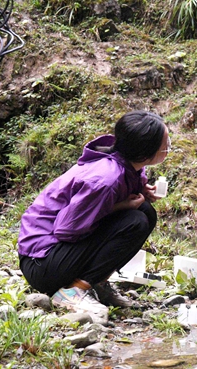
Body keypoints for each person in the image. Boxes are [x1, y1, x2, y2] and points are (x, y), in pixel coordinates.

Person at [18, 110, 170, 322]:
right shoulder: (104, 180)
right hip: (41, 262)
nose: (168, 149)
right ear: (145, 153)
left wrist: (139, 193)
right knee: (134, 220)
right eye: (166, 146)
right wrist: (119, 206)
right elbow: (66, 229)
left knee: (144, 212)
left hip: (57, 253)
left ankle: (96, 283)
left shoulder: (128, 164)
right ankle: (73, 292)